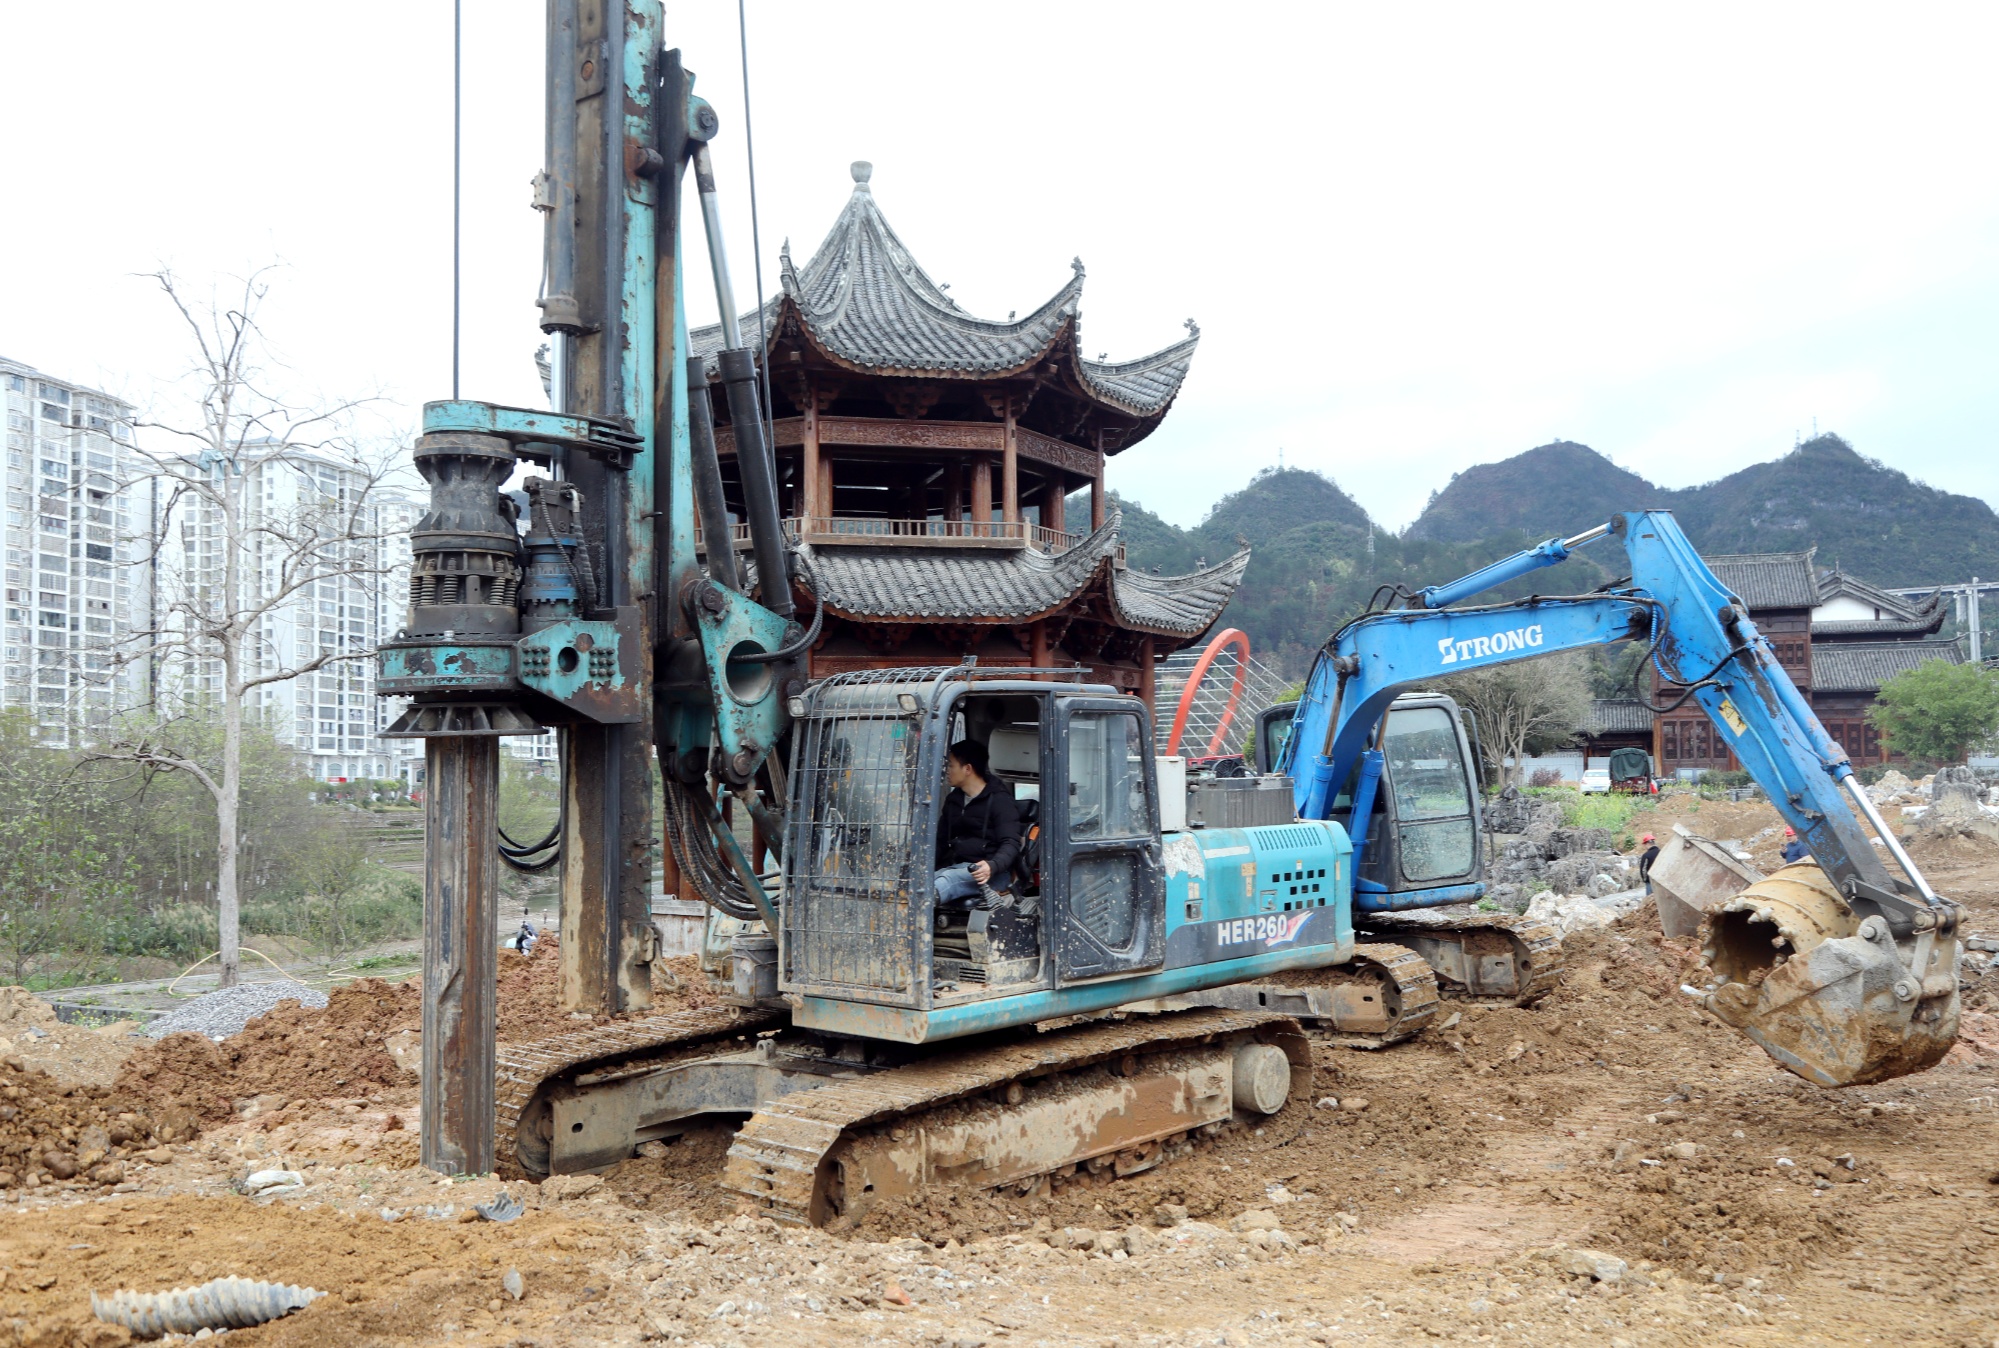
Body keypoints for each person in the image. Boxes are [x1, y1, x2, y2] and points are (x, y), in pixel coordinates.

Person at [933, 739, 1021, 909]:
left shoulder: (1000, 800)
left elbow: (1011, 843)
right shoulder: (954, 801)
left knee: (947, 880)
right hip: (957, 867)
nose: (947, 771)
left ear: (967, 769)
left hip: (990, 873)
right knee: (923, 879)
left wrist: (992, 866)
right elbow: (940, 841)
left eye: (951, 766)